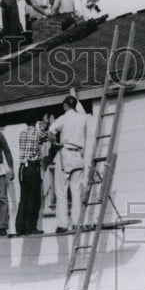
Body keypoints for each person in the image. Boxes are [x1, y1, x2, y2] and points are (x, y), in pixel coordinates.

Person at [48, 96, 89, 233]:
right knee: (76, 191)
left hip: (66, 152)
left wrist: (55, 143)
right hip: (78, 155)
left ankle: (63, 224)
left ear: (65, 105)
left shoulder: (63, 118)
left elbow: (50, 132)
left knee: (61, 190)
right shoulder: (82, 117)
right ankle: (77, 223)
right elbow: (81, 110)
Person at [14, 115, 49, 236]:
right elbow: (48, 136)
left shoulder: (22, 133)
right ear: (35, 122)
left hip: (22, 168)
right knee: (33, 198)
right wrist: (44, 126)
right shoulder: (37, 132)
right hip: (33, 167)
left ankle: (20, 227)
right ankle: (30, 227)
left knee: (24, 198)